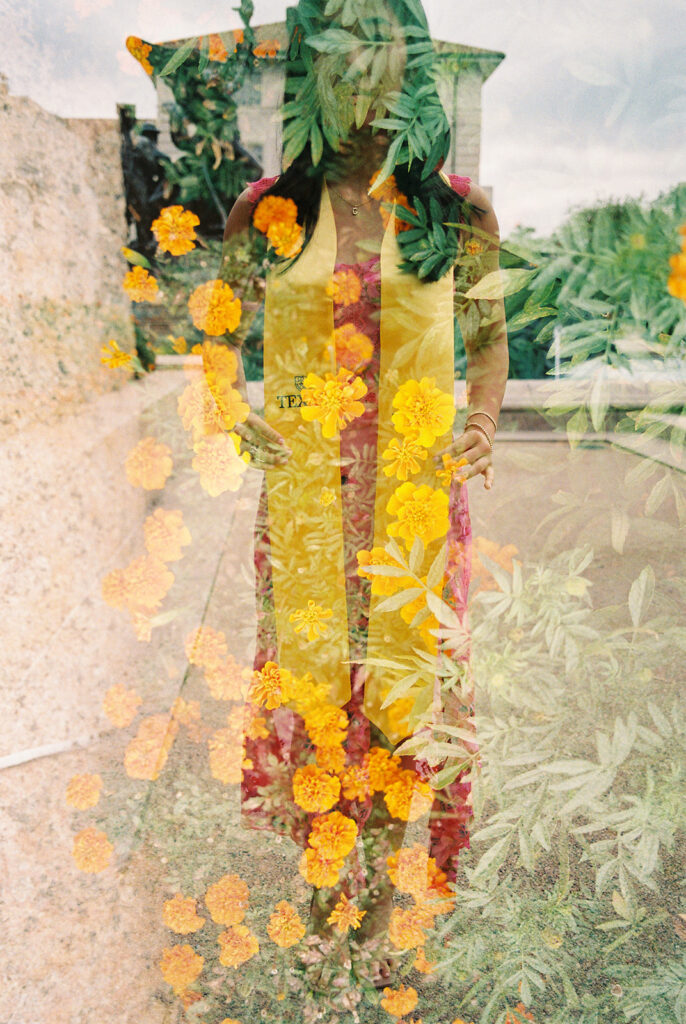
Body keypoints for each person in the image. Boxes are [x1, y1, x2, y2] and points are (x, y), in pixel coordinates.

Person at [206, 0, 509, 1004]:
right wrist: (229, 409)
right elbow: (218, 330)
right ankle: (325, 907)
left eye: (374, 33)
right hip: (302, 507)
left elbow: (488, 340)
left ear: (408, 59)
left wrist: (482, 421)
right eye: (330, 38)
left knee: (397, 710)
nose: (354, 57)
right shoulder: (269, 209)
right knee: (313, 709)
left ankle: (373, 919)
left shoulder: (452, 209)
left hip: (415, 507)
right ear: (307, 67)